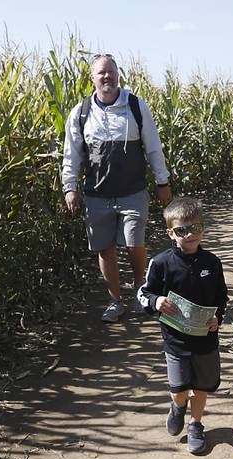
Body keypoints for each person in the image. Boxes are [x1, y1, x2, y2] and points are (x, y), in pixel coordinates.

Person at [62, 54, 172, 322]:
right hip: (96, 194)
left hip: (132, 192)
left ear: (118, 75)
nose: (107, 77)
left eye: (111, 72)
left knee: (135, 243)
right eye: (102, 73)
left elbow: (153, 147)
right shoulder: (81, 112)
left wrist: (162, 182)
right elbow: (72, 154)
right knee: (105, 248)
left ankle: (139, 292)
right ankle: (115, 301)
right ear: (93, 78)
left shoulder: (135, 106)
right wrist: (70, 187)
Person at [136, 198, 228, 454]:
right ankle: (177, 406)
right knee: (178, 389)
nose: (189, 235)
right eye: (181, 230)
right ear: (170, 233)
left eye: (195, 228)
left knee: (201, 386)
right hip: (175, 342)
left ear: (203, 229)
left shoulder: (212, 263)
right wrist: (157, 301)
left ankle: (195, 425)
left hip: (205, 340)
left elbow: (221, 297)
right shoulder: (162, 263)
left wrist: (217, 319)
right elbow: (143, 293)